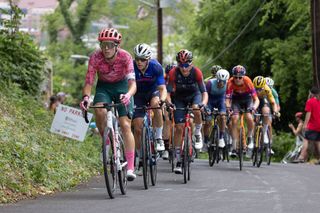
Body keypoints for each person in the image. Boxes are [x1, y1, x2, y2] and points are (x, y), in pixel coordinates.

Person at [80, 28, 137, 181]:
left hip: (122, 87)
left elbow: (133, 83)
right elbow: (89, 81)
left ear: (116, 45)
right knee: (99, 110)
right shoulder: (95, 57)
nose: (106, 49)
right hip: (104, 87)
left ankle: (130, 167)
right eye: (103, 45)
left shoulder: (125, 57)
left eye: (110, 45)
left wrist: (128, 94)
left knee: (125, 124)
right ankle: (105, 140)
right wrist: (86, 97)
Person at [166, 49, 208, 174]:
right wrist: (169, 103)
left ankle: (197, 133)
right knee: (179, 127)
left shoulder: (197, 72)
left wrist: (203, 104)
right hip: (179, 98)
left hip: (194, 95)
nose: (184, 69)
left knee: (196, 109)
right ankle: (178, 159)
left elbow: (204, 92)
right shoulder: (174, 72)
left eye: (186, 65)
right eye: (181, 65)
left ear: (191, 63)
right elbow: (168, 93)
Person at [132, 43, 167, 173]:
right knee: (137, 126)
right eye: (137, 58)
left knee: (156, 105)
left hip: (152, 92)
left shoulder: (156, 67)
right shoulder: (131, 66)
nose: (139, 62)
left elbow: (162, 88)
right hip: (138, 95)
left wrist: (162, 100)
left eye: (142, 59)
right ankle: (141, 158)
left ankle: (158, 138)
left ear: (148, 59)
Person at [225, 65, 259, 157]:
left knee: (249, 117)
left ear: (243, 77)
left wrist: (254, 108)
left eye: (240, 77)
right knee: (234, 119)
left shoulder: (248, 81)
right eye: (236, 77)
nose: (238, 79)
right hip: (236, 100)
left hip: (248, 100)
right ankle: (234, 146)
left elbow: (256, 99)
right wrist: (228, 108)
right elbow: (227, 99)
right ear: (233, 76)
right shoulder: (230, 82)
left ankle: (250, 137)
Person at [203, 69, 230, 150]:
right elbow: (204, 95)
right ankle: (206, 140)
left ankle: (221, 137)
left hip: (221, 100)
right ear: (217, 79)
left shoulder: (228, 84)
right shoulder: (210, 83)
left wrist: (228, 107)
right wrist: (205, 107)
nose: (221, 83)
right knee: (208, 122)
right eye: (219, 81)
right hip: (210, 100)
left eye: (223, 81)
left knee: (222, 117)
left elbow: (228, 97)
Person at [252, 76, 280, 154]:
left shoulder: (267, 89)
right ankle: (252, 140)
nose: (258, 91)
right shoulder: (251, 88)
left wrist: (275, 111)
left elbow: (274, 103)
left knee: (266, 112)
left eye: (260, 89)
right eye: (256, 89)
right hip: (253, 100)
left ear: (264, 87)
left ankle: (264, 134)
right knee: (254, 120)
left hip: (263, 100)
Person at [302, 87, 320, 164]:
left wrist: (305, 124)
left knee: (306, 140)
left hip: (312, 125)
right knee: (318, 142)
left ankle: (301, 157)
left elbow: (308, 114)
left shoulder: (310, 101)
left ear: (311, 93)